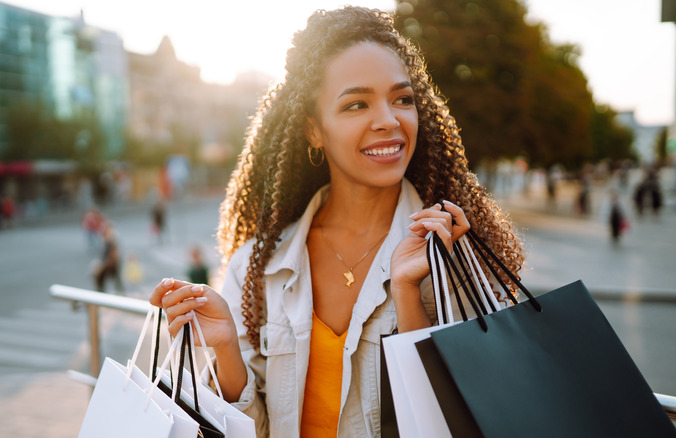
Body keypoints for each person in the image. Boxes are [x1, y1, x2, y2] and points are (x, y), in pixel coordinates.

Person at [150, 7, 524, 437]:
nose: (388, 119)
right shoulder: (255, 267)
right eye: (356, 104)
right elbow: (254, 433)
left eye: (402, 99)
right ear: (314, 129)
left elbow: (461, 422)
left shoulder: (451, 255)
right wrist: (226, 348)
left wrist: (407, 296)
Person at [94, 222, 124, 294]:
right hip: (109, 262)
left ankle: (119, 293)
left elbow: (115, 253)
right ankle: (118, 293)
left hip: (111, 263)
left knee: (116, 279)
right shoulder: (105, 240)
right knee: (115, 280)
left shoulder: (111, 241)